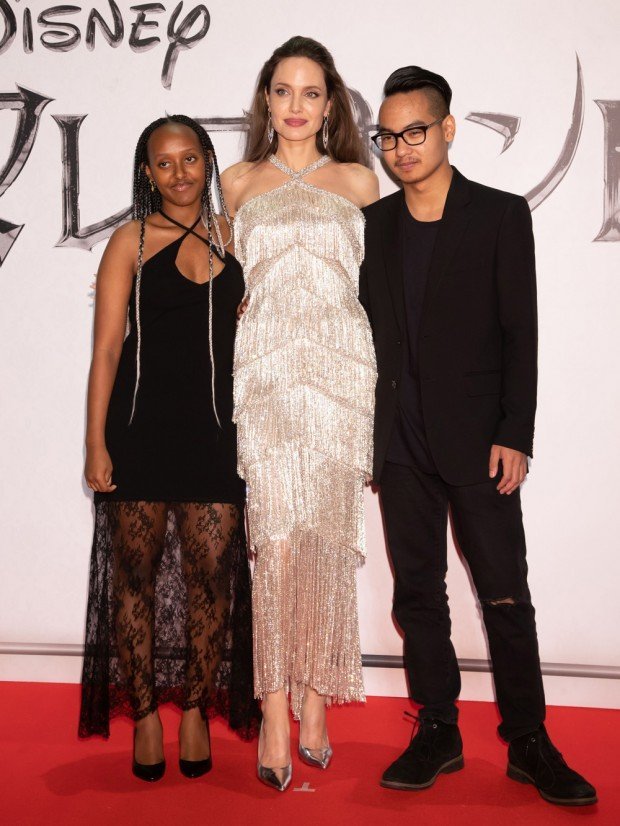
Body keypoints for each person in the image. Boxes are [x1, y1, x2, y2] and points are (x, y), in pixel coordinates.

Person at [360, 66, 597, 806]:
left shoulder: (498, 215)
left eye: (415, 131)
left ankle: (528, 739)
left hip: (478, 442)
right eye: (388, 136)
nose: (401, 147)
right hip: (400, 442)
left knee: (504, 595)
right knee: (418, 595)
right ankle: (438, 728)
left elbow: (521, 330)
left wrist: (515, 432)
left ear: (448, 129)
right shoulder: (374, 224)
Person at [79, 115, 260, 782]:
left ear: (208, 162)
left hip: (217, 434)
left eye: (190, 158)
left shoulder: (238, 235)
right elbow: (106, 350)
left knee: (212, 577)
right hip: (140, 431)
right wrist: (95, 442)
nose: (179, 173)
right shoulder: (129, 241)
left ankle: (193, 710)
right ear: (147, 173)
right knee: (136, 575)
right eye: (164, 162)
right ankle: (146, 714)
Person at [221, 36, 378, 791]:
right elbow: (222, 283)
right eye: (282, 91)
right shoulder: (236, 182)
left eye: (310, 92)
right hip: (266, 380)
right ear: (266, 99)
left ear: (330, 104)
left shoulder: (360, 181)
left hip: (343, 377)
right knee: (275, 545)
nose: (295, 106)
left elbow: (383, 286)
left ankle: (316, 702)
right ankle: (274, 711)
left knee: (327, 541)